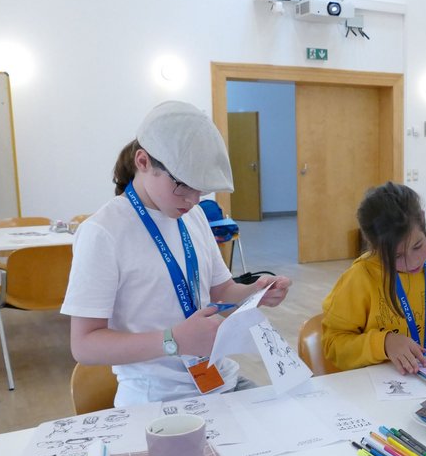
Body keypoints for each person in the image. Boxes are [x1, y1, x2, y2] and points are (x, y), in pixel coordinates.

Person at [61, 101, 292, 405]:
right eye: (183, 185)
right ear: (143, 162)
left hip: (223, 381)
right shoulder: (103, 232)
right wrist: (175, 341)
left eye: (201, 189)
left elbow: (220, 289)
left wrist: (254, 293)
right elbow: (85, 345)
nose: (193, 199)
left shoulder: (191, 215)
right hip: (157, 399)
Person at [322, 182, 426, 375]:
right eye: (396, 256)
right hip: (383, 386)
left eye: (418, 246)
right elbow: (333, 345)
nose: (412, 262)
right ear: (372, 245)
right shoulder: (360, 278)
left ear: (422, 219)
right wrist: (384, 343)